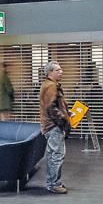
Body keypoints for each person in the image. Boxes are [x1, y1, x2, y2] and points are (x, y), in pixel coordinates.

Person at [39, 61, 70, 194]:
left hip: (50, 125)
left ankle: (52, 182)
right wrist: (63, 120)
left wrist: (67, 113)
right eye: (58, 70)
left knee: (52, 155)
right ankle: (54, 184)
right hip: (53, 126)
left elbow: (56, 106)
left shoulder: (48, 85)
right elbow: (51, 107)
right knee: (57, 155)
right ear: (50, 72)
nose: (61, 72)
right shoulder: (51, 86)